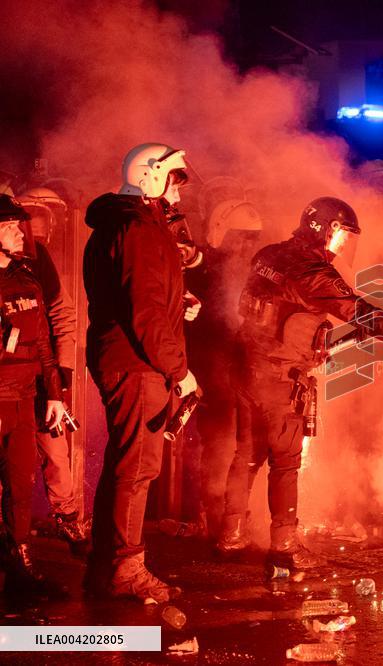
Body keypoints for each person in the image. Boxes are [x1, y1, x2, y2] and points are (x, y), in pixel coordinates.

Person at [217, 197, 383, 570]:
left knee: (246, 455)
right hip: (280, 376)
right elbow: (363, 314)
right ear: (324, 228)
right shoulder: (313, 271)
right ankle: (285, 548)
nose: (343, 245)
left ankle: (230, 535)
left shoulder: (270, 254)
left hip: (247, 369)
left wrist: (317, 346)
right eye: (342, 235)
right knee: (285, 463)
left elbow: (277, 311)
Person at [83, 143, 199, 602]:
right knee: (137, 467)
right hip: (138, 363)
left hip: (129, 357)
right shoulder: (138, 229)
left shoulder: (127, 225)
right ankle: (125, 570)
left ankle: (106, 566)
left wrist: (179, 304)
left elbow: (141, 297)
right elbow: (145, 312)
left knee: (125, 463)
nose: (179, 190)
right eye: (175, 179)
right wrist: (181, 371)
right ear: (150, 176)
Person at [0, 195, 68, 596]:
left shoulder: (28, 280)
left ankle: (22, 563)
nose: (18, 232)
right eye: (8, 226)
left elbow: (43, 343)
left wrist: (55, 395)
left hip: (23, 402)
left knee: (21, 487)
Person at [15, 187, 87, 554]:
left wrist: (63, 374)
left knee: (56, 451)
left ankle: (68, 519)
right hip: (9, 378)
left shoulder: (37, 258)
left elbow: (61, 314)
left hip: (41, 372)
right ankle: (11, 536)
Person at [186, 197, 263, 536]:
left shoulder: (253, 273)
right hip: (210, 372)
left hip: (243, 371)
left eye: (251, 238)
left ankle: (237, 516)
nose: (246, 245)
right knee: (217, 442)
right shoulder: (203, 268)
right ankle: (213, 515)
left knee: (244, 444)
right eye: (240, 236)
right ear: (221, 233)